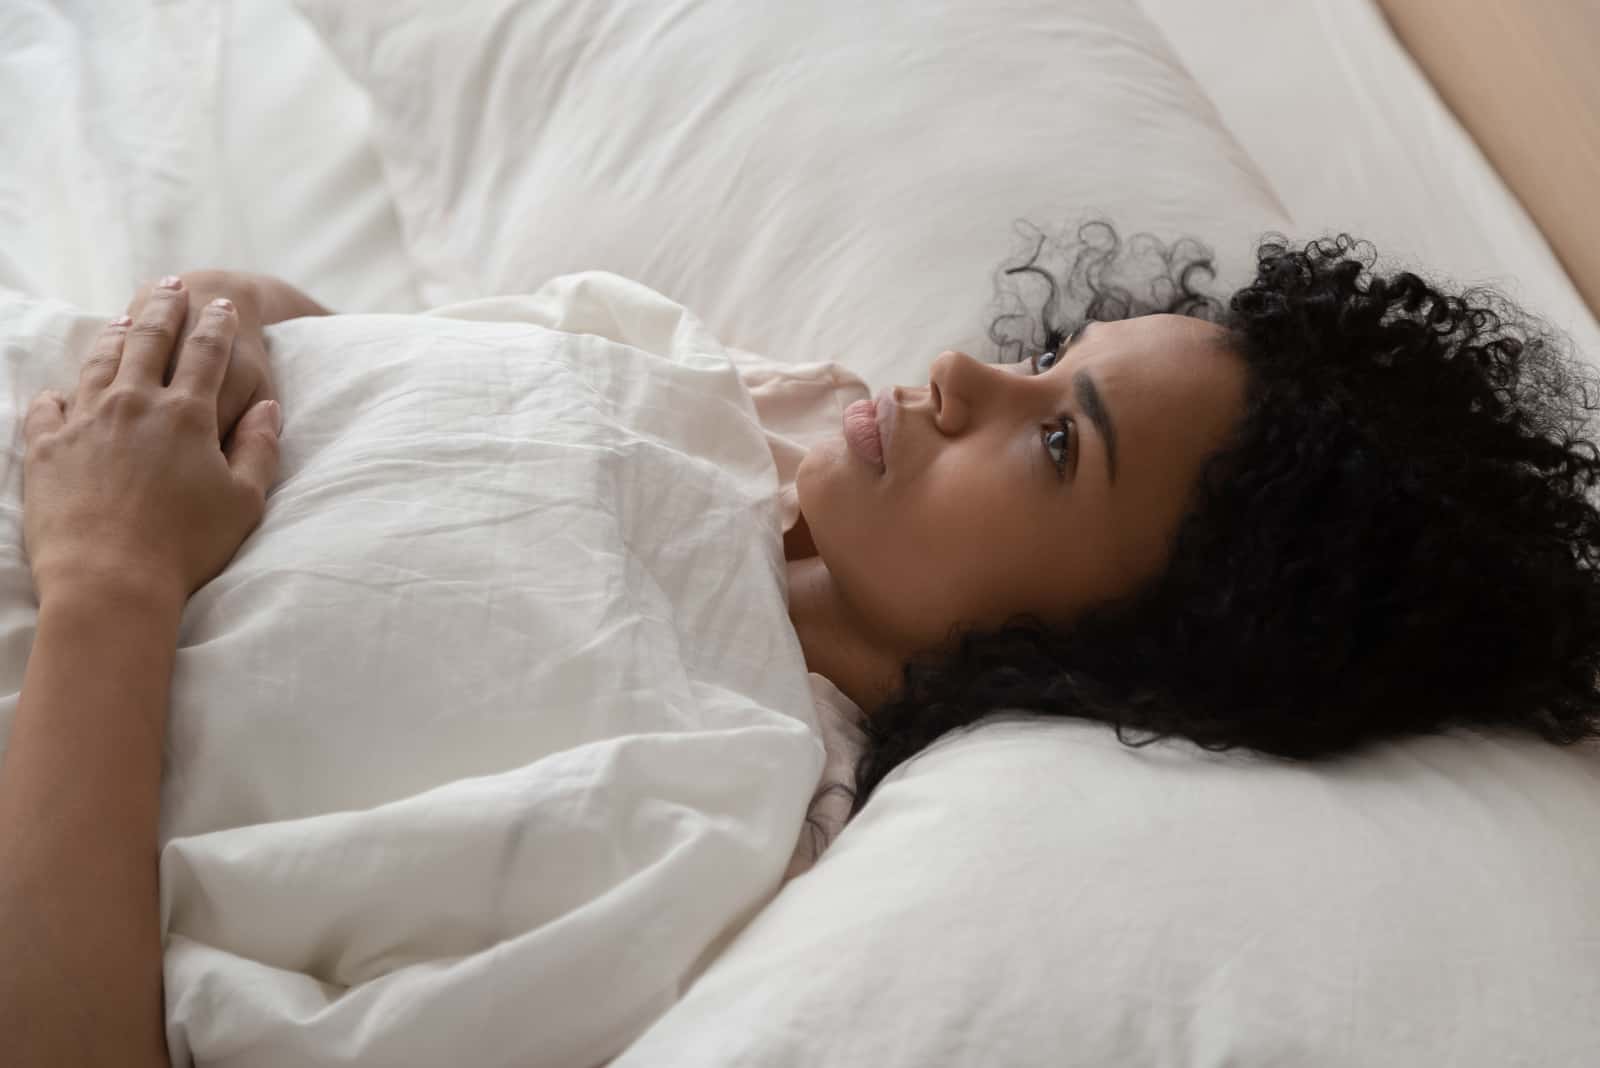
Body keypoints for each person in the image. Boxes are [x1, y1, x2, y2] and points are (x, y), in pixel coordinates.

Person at [6, 219, 1600, 1064]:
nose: (972, 373)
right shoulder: (728, 407)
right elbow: (395, 399)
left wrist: (109, 576)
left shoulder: (689, 819)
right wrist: (244, 325)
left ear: (1114, 655)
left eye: (1057, 445)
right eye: (1054, 360)